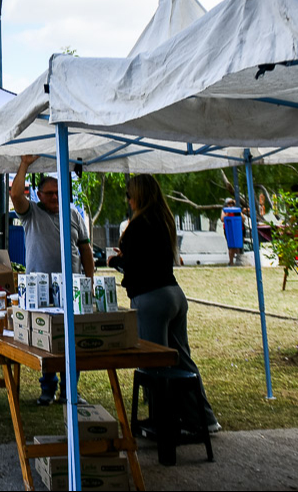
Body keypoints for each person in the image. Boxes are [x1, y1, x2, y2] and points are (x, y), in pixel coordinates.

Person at [108, 174, 220, 434]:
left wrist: (116, 261)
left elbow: (135, 264)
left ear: (137, 196)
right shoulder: (163, 220)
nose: (128, 199)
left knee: (154, 362)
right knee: (182, 359)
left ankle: (162, 421)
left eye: (129, 194)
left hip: (151, 298)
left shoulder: (138, 225)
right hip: (173, 293)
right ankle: (203, 418)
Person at [12, 154, 94, 405]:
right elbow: (15, 195)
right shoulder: (31, 213)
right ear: (39, 195)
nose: (55, 198)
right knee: (46, 339)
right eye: (49, 194)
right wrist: (24, 164)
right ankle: (47, 388)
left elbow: (86, 250)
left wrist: (89, 281)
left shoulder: (73, 214)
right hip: (41, 291)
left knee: (72, 340)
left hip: (71, 290)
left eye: (58, 193)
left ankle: (70, 389)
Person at [221, 198, 244, 266]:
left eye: (232, 204)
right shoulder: (224, 211)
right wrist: (228, 212)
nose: (231, 205)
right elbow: (222, 219)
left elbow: (243, 219)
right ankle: (231, 262)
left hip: (237, 229)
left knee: (237, 246)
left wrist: (239, 211)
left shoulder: (236, 211)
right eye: (229, 204)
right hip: (229, 229)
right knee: (231, 247)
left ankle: (238, 261)